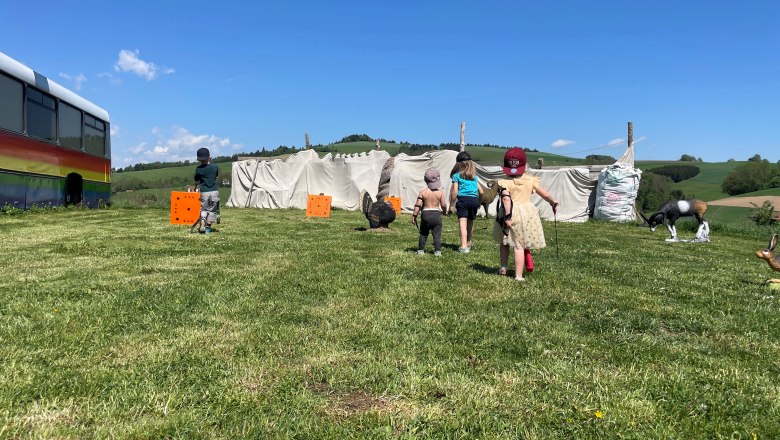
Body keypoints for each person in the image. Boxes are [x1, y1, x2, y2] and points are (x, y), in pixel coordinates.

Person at [493, 147, 558, 281]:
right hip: (526, 213)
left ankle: (503, 267)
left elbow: (505, 199)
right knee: (519, 245)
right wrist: (553, 202)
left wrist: (507, 216)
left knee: (504, 242)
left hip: (509, 211)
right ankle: (518, 275)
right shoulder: (530, 180)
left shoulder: (505, 182)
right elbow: (545, 194)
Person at [449, 151, 483, 253]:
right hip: (474, 200)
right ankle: (468, 242)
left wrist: (451, 205)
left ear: (458, 164)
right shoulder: (474, 177)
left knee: (462, 223)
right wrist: (479, 202)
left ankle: (464, 246)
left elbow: (454, 192)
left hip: (463, 200)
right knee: (470, 223)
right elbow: (481, 192)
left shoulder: (457, 176)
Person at [412, 169, 447, 256]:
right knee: (437, 234)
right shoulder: (440, 193)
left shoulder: (423, 192)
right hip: (436, 214)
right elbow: (443, 205)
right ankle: (437, 251)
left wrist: (414, 216)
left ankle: (420, 251)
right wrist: (444, 212)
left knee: (423, 234)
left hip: (425, 214)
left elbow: (418, 205)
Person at [194, 147, 219, 233]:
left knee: (204, 208)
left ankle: (203, 220)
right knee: (212, 210)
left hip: (204, 191)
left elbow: (196, 178)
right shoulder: (214, 167)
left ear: (199, 159)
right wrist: (210, 162)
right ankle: (208, 228)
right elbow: (215, 174)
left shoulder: (199, 169)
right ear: (209, 157)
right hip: (214, 191)